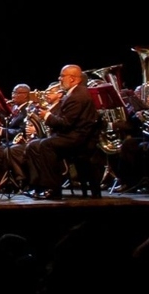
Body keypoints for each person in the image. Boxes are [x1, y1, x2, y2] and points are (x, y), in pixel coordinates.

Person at [24, 65, 100, 200]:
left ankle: (53, 188)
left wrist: (46, 115)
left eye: (62, 76)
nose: (59, 79)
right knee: (33, 145)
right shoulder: (73, 94)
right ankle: (37, 185)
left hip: (77, 139)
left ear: (72, 79)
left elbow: (65, 124)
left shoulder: (77, 96)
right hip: (71, 136)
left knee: (46, 145)